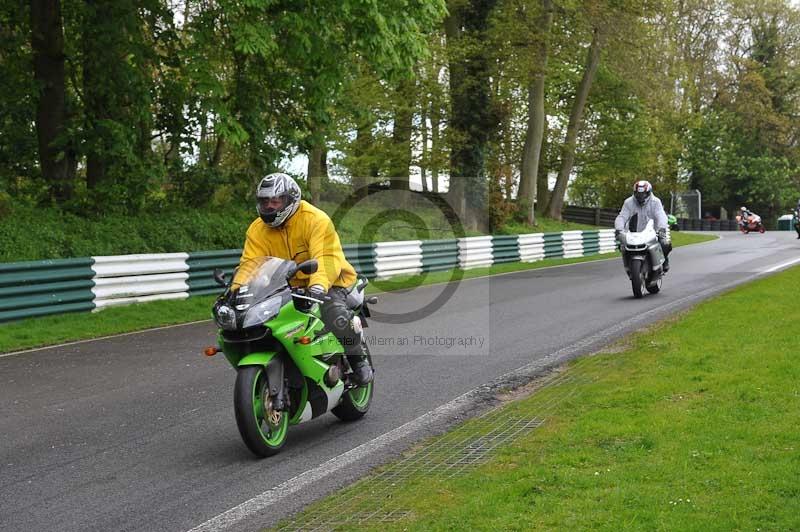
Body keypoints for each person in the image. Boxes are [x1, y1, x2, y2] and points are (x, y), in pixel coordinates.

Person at [238, 172, 373, 385]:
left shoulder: (315, 219)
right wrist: (239, 292)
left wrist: (318, 286)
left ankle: (358, 361)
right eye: (265, 201)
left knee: (335, 314)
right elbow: (250, 266)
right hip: (286, 288)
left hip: (331, 281)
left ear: (291, 199)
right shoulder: (257, 229)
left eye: (276, 200)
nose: (270, 206)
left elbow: (326, 258)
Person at [614, 180, 672, 272]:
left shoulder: (655, 202)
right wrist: (618, 228)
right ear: (634, 193)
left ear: (648, 193)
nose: (641, 196)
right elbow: (622, 216)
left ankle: (664, 261)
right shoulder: (628, 202)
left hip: (652, 231)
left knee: (664, 244)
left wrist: (662, 228)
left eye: (643, 194)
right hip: (634, 232)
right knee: (622, 246)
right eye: (638, 194)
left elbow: (661, 215)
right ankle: (629, 266)